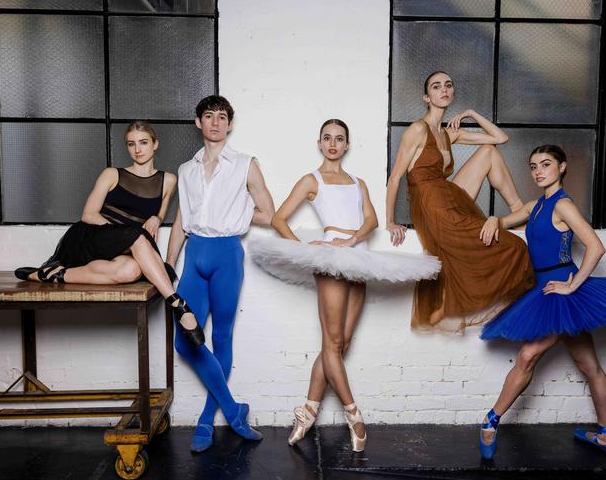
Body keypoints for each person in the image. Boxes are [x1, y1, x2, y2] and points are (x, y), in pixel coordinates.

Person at [255, 119, 439, 452]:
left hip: (359, 259)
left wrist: (354, 240)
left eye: (339, 139)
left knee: (341, 344)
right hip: (331, 262)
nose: (333, 144)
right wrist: (303, 249)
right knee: (333, 341)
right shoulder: (312, 180)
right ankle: (354, 414)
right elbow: (278, 218)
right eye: (327, 138)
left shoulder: (358, 181)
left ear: (347, 144)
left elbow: (370, 220)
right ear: (319, 142)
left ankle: (308, 411)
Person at [14, 121, 204, 346]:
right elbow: (89, 214)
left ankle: (54, 274)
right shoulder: (112, 174)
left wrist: (157, 218)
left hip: (129, 245)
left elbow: (158, 214)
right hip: (93, 237)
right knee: (137, 236)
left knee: (129, 271)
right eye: (131, 144)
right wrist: (125, 233)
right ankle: (177, 304)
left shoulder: (169, 180)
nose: (137, 149)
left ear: (155, 145)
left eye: (143, 143)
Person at [479, 145, 606, 458]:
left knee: (527, 355)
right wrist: (495, 219)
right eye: (534, 166)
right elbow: (508, 220)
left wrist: (572, 285)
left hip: (560, 291)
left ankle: (490, 420)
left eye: (546, 164)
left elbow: (595, 247)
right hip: (544, 289)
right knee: (590, 366)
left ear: (562, 168)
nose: (538, 171)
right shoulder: (536, 206)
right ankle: (605, 433)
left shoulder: (563, 206)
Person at [385, 71, 535, 332]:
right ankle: (452, 304)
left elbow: (501, 139)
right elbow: (395, 177)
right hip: (430, 203)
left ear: (452, 92)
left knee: (489, 151)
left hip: (448, 193)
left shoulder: (448, 134)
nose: (443, 90)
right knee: (515, 248)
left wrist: (471, 114)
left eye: (448, 85)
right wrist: (390, 221)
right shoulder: (418, 130)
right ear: (426, 96)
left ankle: (518, 212)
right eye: (436, 86)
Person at [166, 95, 275, 453]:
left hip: (227, 253)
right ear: (199, 122)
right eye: (209, 116)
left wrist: (237, 217)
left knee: (222, 338)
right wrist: (169, 265)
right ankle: (233, 410)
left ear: (230, 123)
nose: (215, 122)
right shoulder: (186, 169)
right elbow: (182, 218)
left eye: (222, 116)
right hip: (195, 252)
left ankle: (204, 419)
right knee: (185, 340)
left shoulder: (245, 164)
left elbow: (268, 212)